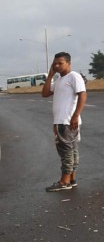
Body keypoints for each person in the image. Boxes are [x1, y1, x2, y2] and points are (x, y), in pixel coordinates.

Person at [41, 52, 87, 192]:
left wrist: (75, 115)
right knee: (71, 151)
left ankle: (64, 181)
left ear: (68, 63)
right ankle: (71, 179)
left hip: (67, 121)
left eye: (60, 63)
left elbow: (83, 94)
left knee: (65, 152)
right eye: (55, 63)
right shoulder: (59, 80)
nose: (57, 65)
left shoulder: (73, 76)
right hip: (61, 121)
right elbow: (45, 93)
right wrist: (50, 75)